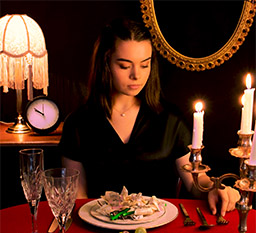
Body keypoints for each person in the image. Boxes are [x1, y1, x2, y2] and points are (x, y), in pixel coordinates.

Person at [58, 17, 240, 216]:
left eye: (144, 65)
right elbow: (78, 199)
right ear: (106, 63)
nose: (136, 75)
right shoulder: (78, 123)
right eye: (125, 66)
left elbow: (196, 182)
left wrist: (215, 188)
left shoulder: (171, 120)